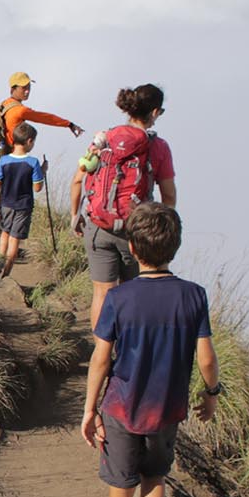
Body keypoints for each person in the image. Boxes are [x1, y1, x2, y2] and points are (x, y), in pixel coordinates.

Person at [79, 202, 220, 497]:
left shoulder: (119, 299)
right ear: (174, 248)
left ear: (133, 249)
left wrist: (90, 410)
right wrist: (211, 394)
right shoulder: (194, 296)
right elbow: (206, 357)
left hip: (122, 408)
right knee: (155, 475)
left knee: (120, 485)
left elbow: (101, 359)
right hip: (168, 409)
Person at [73, 84, 177, 329]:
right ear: (154, 112)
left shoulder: (104, 139)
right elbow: (169, 196)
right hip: (136, 230)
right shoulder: (158, 147)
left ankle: (101, 355)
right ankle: (125, 355)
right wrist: (160, 231)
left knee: (102, 293)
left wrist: (74, 214)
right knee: (131, 294)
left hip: (98, 225)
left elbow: (79, 178)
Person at [0, 123, 47, 278]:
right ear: (29, 141)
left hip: (5, 203)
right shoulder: (33, 163)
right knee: (15, 239)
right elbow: (37, 188)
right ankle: (6, 272)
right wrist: (43, 171)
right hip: (23, 206)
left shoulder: (4, 160)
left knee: (4, 233)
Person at [1, 72, 85, 149]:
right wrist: (69, 124)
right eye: (23, 88)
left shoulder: (5, 104)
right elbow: (45, 118)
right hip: (12, 153)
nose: (27, 91)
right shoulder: (20, 110)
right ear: (12, 90)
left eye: (29, 87)